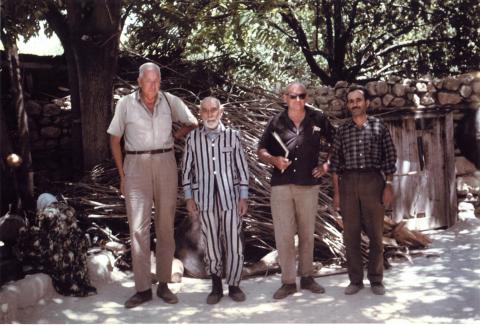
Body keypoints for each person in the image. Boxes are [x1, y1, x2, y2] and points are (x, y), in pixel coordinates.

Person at [107, 62, 198, 308]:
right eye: (149, 81)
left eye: (157, 81)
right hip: (135, 166)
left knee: (166, 226)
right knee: (138, 229)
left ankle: (165, 284)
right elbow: (114, 140)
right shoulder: (125, 104)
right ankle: (142, 288)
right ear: (139, 81)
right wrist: (123, 176)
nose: (153, 86)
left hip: (166, 162)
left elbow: (193, 122)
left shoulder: (170, 101)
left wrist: (174, 137)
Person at [257, 82, 335, 299]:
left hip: (308, 185)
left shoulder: (318, 119)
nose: (298, 100)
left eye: (301, 96)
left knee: (307, 233)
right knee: (284, 236)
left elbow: (336, 141)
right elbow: (260, 150)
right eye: (293, 96)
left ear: (306, 97)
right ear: (285, 98)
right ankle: (288, 282)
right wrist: (273, 160)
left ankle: (308, 277)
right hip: (281, 186)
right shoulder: (276, 122)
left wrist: (326, 165)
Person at [329, 85, 397, 296]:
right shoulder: (342, 130)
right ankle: (355, 280)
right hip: (348, 183)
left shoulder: (379, 127)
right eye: (351, 101)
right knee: (351, 236)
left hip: (373, 181)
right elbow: (335, 164)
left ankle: (376, 279)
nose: (354, 104)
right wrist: (338, 193)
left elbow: (390, 157)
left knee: (376, 234)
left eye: (358, 100)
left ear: (366, 103)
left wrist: (388, 185)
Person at [181, 97, 249, 304]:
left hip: (231, 198)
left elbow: (242, 168)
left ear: (220, 112)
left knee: (233, 241)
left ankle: (235, 284)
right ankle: (216, 285)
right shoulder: (193, 139)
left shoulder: (233, 137)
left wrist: (243, 196)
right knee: (210, 242)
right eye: (205, 111)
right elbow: (186, 170)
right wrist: (189, 197)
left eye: (213, 110)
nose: (210, 114)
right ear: (200, 113)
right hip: (205, 198)